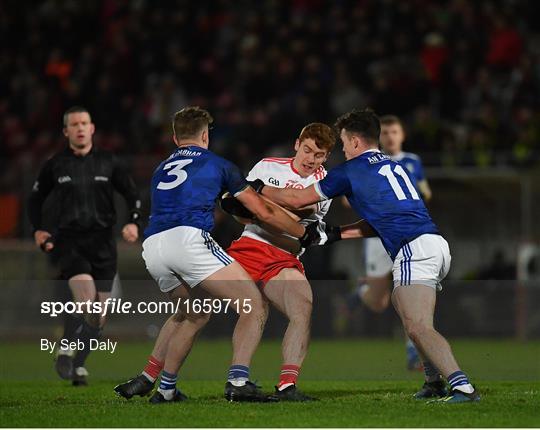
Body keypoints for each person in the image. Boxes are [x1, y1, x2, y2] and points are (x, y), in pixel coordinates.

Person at [251, 108, 480, 403]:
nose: (343, 149)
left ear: (356, 142)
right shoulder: (393, 166)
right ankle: (433, 381)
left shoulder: (350, 171)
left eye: (344, 142)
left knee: (418, 325)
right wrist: (335, 234)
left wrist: (256, 188)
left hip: (413, 249)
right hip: (432, 243)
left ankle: (462, 387)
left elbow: (296, 198)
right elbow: (379, 221)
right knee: (401, 303)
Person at [114, 106, 310, 403]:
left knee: (193, 313)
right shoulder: (218, 164)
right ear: (205, 135)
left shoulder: (160, 168)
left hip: (153, 246)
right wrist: (303, 233)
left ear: (175, 137)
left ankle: (162, 387)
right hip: (188, 241)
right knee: (253, 305)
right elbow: (262, 210)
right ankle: (238, 381)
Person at [28, 106, 141, 386]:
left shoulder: (108, 162)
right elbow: (35, 200)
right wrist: (39, 229)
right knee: (85, 299)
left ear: (92, 128)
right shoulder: (55, 165)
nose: (80, 128)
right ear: (66, 131)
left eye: (84, 123)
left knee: (99, 317)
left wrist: (133, 222)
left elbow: (131, 194)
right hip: (70, 242)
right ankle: (66, 350)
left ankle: (77, 364)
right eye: (74, 124)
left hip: (103, 244)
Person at [224, 122, 336, 401]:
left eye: (319, 155)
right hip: (248, 248)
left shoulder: (325, 184)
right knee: (194, 312)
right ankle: (163, 381)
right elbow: (240, 212)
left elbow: (293, 218)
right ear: (297, 144)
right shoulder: (267, 166)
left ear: (326, 157)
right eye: (308, 150)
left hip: (283, 257)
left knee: (302, 306)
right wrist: (258, 208)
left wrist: (259, 199)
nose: (311, 159)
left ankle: (287, 385)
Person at [351, 115, 432, 371]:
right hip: (377, 238)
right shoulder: (367, 163)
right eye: (385, 132)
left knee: (411, 295)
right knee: (379, 302)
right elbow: (348, 197)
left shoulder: (412, 162)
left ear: (402, 135)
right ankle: (362, 290)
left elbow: (426, 192)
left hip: (406, 236)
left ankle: (414, 352)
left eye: (394, 131)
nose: (390, 136)